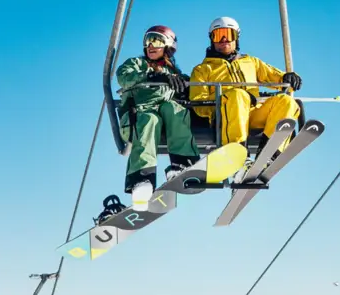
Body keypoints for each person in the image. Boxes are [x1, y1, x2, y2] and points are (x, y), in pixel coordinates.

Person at [115, 24, 200, 209]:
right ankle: (142, 179)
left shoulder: (174, 74)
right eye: (148, 40)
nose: (151, 45)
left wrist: (187, 85)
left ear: (168, 46)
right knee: (149, 120)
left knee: (173, 108)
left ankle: (182, 164)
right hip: (137, 115)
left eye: (157, 40)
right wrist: (152, 76)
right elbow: (123, 77)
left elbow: (193, 86)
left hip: (165, 119)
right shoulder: (137, 64)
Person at [188, 16, 303, 148]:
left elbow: (276, 77)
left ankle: (271, 150)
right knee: (238, 95)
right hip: (226, 117)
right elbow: (198, 104)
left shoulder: (251, 62)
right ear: (211, 40)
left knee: (286, 101)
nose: (224, 40)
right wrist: (228, 97)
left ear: (236, 37)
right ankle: (237, 149)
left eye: (228, 34)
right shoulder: (202, 69)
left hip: (254, 113)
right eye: (218, 35)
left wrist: (288, 78)